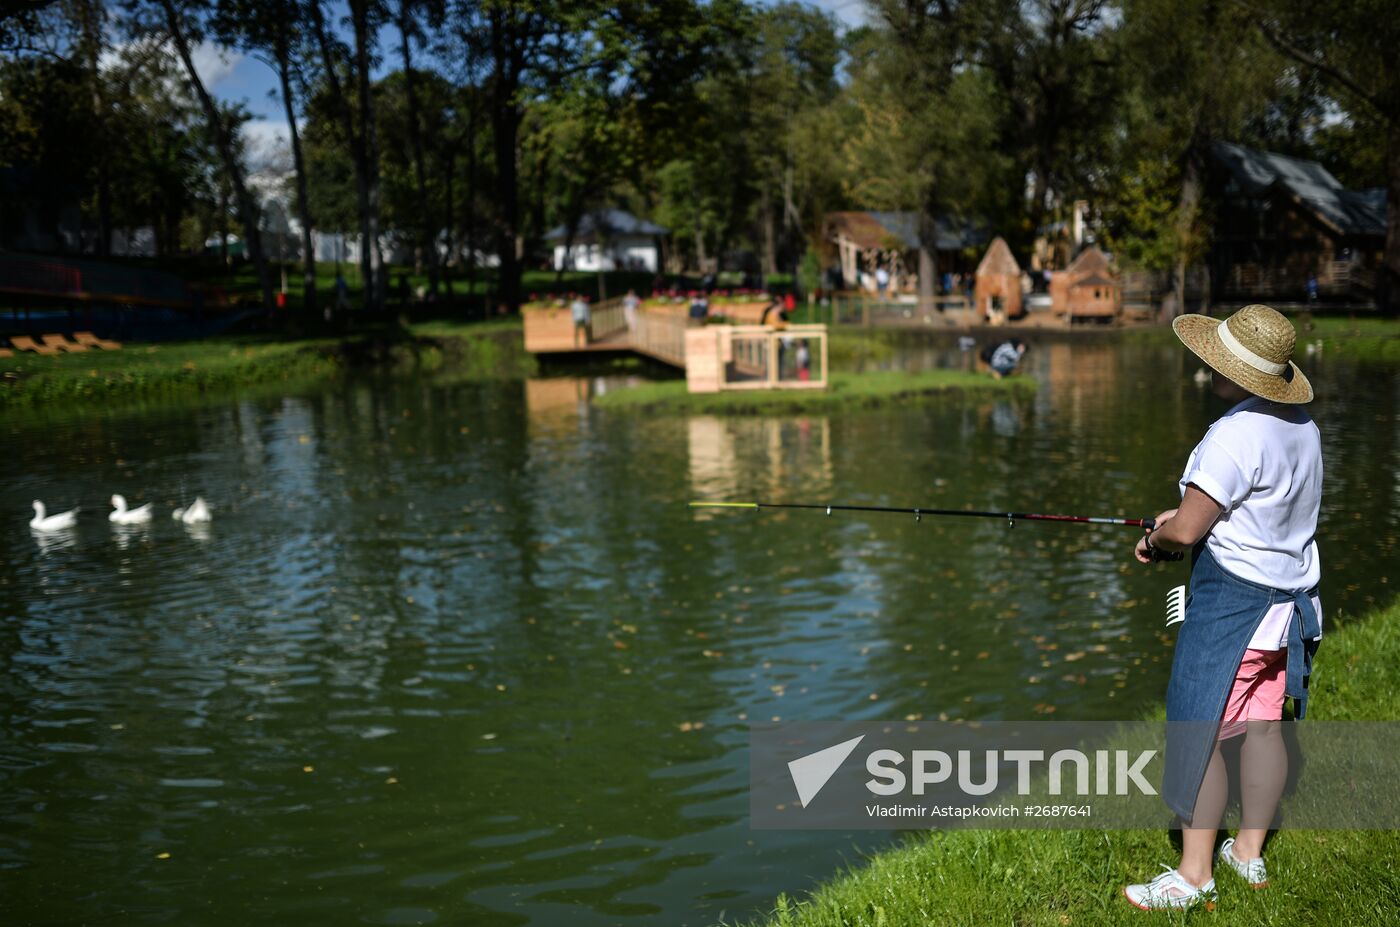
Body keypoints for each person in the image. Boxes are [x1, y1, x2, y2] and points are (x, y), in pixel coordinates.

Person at [1122, 305, 1321, 911]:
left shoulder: (1233, 434)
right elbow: (1250, 513)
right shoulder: (1301, 424)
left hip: (1233, 610)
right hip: (1290, 611)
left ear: (1233, 370)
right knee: (1263, 730)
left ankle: (1194, 874)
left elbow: (1186, 532)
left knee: (1200, 733)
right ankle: (1249, 854)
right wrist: (1179, 520)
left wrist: (1157, 539)